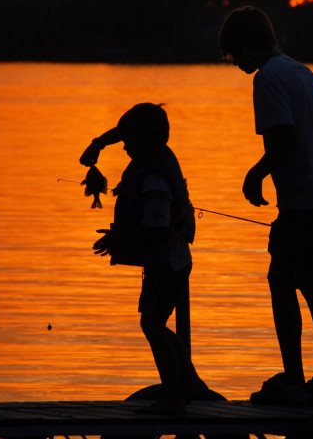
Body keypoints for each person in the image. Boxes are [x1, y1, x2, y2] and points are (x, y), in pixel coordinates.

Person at [218, 6, 313, 407]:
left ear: (248, 45)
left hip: (310, 202)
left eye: (233, 55)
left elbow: (284, 140)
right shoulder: (301, 71)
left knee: (282, 281)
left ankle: (296, 379)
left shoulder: (267, 79)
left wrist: (254, 174)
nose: (234, 64)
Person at [79, 102, 207, 415]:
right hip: (168, 262)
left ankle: (174, 396)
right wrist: (98, 144)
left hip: (167, 264)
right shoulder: (157, 156)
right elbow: (124, 133)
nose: (123, 148)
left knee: (151, 323)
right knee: (156, 322)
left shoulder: (154, 180)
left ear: (146, 143)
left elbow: (156, 229)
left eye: (128, 143)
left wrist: (117, 239)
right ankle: (191, 385)